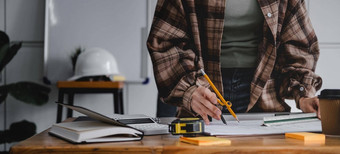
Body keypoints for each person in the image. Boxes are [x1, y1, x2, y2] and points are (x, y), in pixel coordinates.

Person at [147, 0, 322, 124]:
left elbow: (298, 47)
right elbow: (166, 42)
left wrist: (304, 94)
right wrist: (190, 91)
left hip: (266, 96)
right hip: (203, 91)